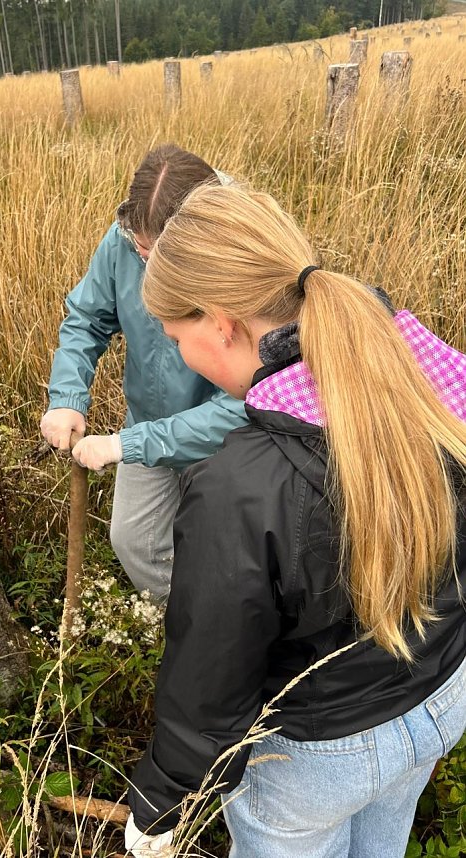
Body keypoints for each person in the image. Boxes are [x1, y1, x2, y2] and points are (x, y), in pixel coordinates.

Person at [124, 182, 466, 857]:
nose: (180, 355)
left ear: (220, 322)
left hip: (316, 759)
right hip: (443, 696)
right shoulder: (421, 368)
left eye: (175, 337)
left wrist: (162, 799)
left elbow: (212, 668)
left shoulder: (240, 483)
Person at [40, 145, 247, 603]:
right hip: (146, 422)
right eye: (142, 250)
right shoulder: (124, 237)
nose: (148, 265)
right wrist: (67, 398)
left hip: (229, 444)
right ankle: (183, 631)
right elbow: (87, 317)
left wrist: (124, 446)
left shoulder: (243, 257)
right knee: (136, 541)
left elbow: (247, 401)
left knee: (227, 552)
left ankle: (230, 644)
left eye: (162, 255)